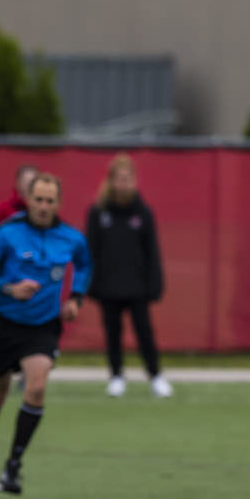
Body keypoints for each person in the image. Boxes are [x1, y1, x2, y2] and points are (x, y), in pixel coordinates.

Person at [0, 172, 89, 496]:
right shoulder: (7, 233)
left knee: (36, 389)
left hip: (43, 327)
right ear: (28, 200)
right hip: (5, 324)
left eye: (50, 201)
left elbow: (84, 265)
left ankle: (13, 467)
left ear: (59, 203)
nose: (44, 206)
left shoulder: (71, 238)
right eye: (38, 200)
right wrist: (9, 288)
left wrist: (75, 298)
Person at [85, 154, 172, 399]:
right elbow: (90, 251)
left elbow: (152, 252)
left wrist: (154, 285)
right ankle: (116, 377)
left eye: (128, 178)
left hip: (137, 288)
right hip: (108, 287)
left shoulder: (143, 213)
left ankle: (155, 377)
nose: (124, 183)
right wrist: (91, 284)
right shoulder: (98, 212)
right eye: (120, 179)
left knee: (144, 332)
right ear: (111, 181)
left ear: (135, 181)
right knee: (112, 333)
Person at [0, 165, 40, 231]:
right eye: (27, 182)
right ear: (18, 183)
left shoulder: (44, 209)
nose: (30, 186)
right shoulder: (4, 210)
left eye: (34, 182)